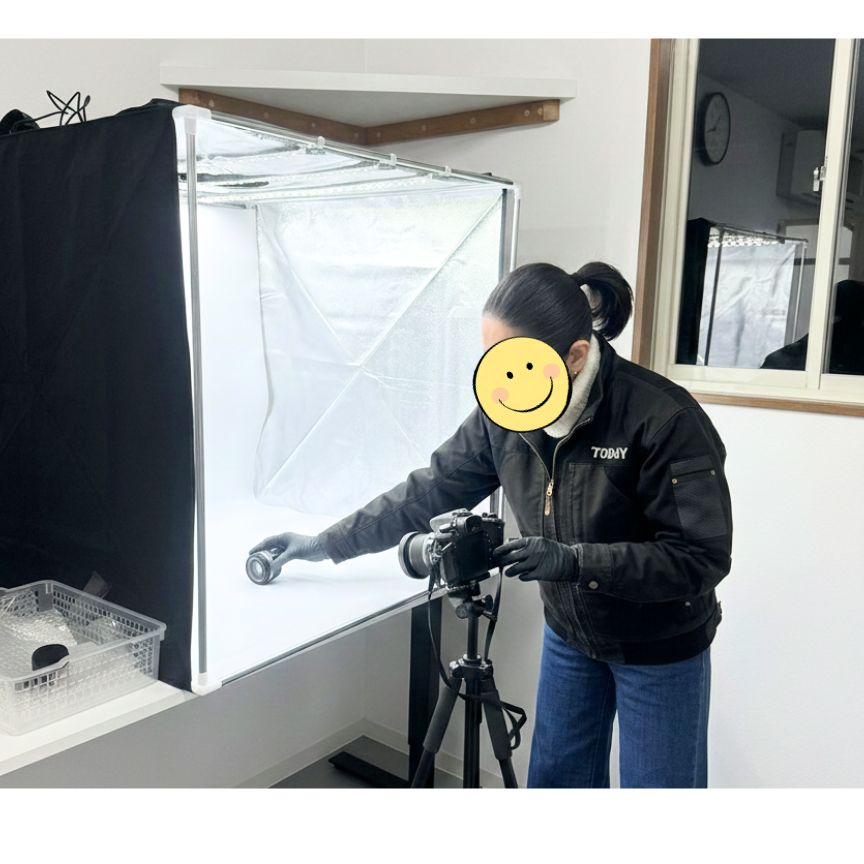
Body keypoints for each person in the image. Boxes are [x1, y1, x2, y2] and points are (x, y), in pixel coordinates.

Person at [250, 262, 733, 788]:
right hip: (571, 636)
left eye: (518, 363)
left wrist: (576, 563)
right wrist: (325, 543)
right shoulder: (504, 414)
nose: (504, 382)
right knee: (556, 786)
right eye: (493, 360)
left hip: (660, 645)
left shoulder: (664, 419)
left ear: (575, 356)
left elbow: (699, 558)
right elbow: (427, 491)